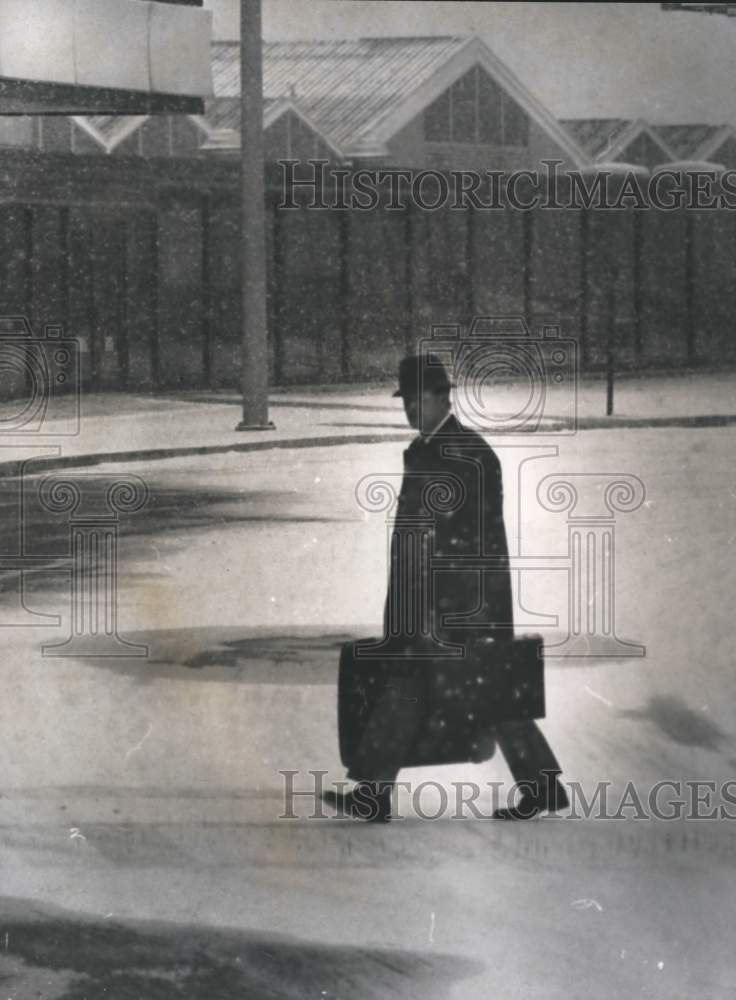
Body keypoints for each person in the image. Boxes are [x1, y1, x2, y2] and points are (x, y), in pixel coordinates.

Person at [322, 352, 568, 822]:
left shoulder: (467, 454)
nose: (411, 409)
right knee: (479, 690)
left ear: (442, 398)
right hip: (433, 603)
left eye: (418, 399)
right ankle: (542, 786)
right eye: (406, 401)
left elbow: (473, 540)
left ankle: (374, 793)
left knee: (446, 687)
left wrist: (444, 608)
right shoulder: (431, 450)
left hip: (458, 605)